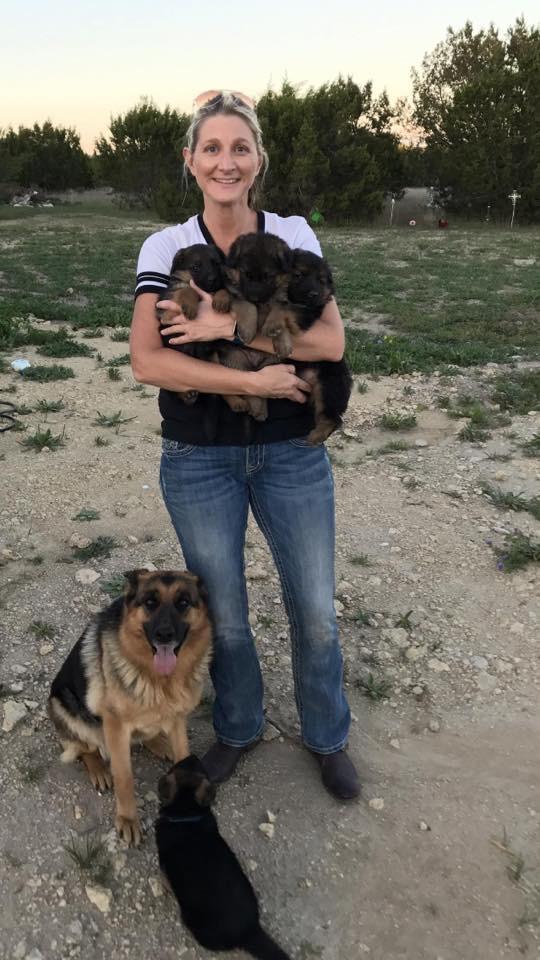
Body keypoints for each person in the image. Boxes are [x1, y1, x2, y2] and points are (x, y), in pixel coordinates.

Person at [130, 90, 359, 800]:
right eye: (212, 148)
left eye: (239, 148)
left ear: (259, 159)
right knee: (224, 616)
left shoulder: (291, 233)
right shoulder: (165, 246)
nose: (225, 162)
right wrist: (255, 381)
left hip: (291, 450)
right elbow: (148, 361)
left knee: (315, 611)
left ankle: (327, 736)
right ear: (190, 160)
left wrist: (225, 330)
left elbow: (329, 341)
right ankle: (238, 728)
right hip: (199, 457)